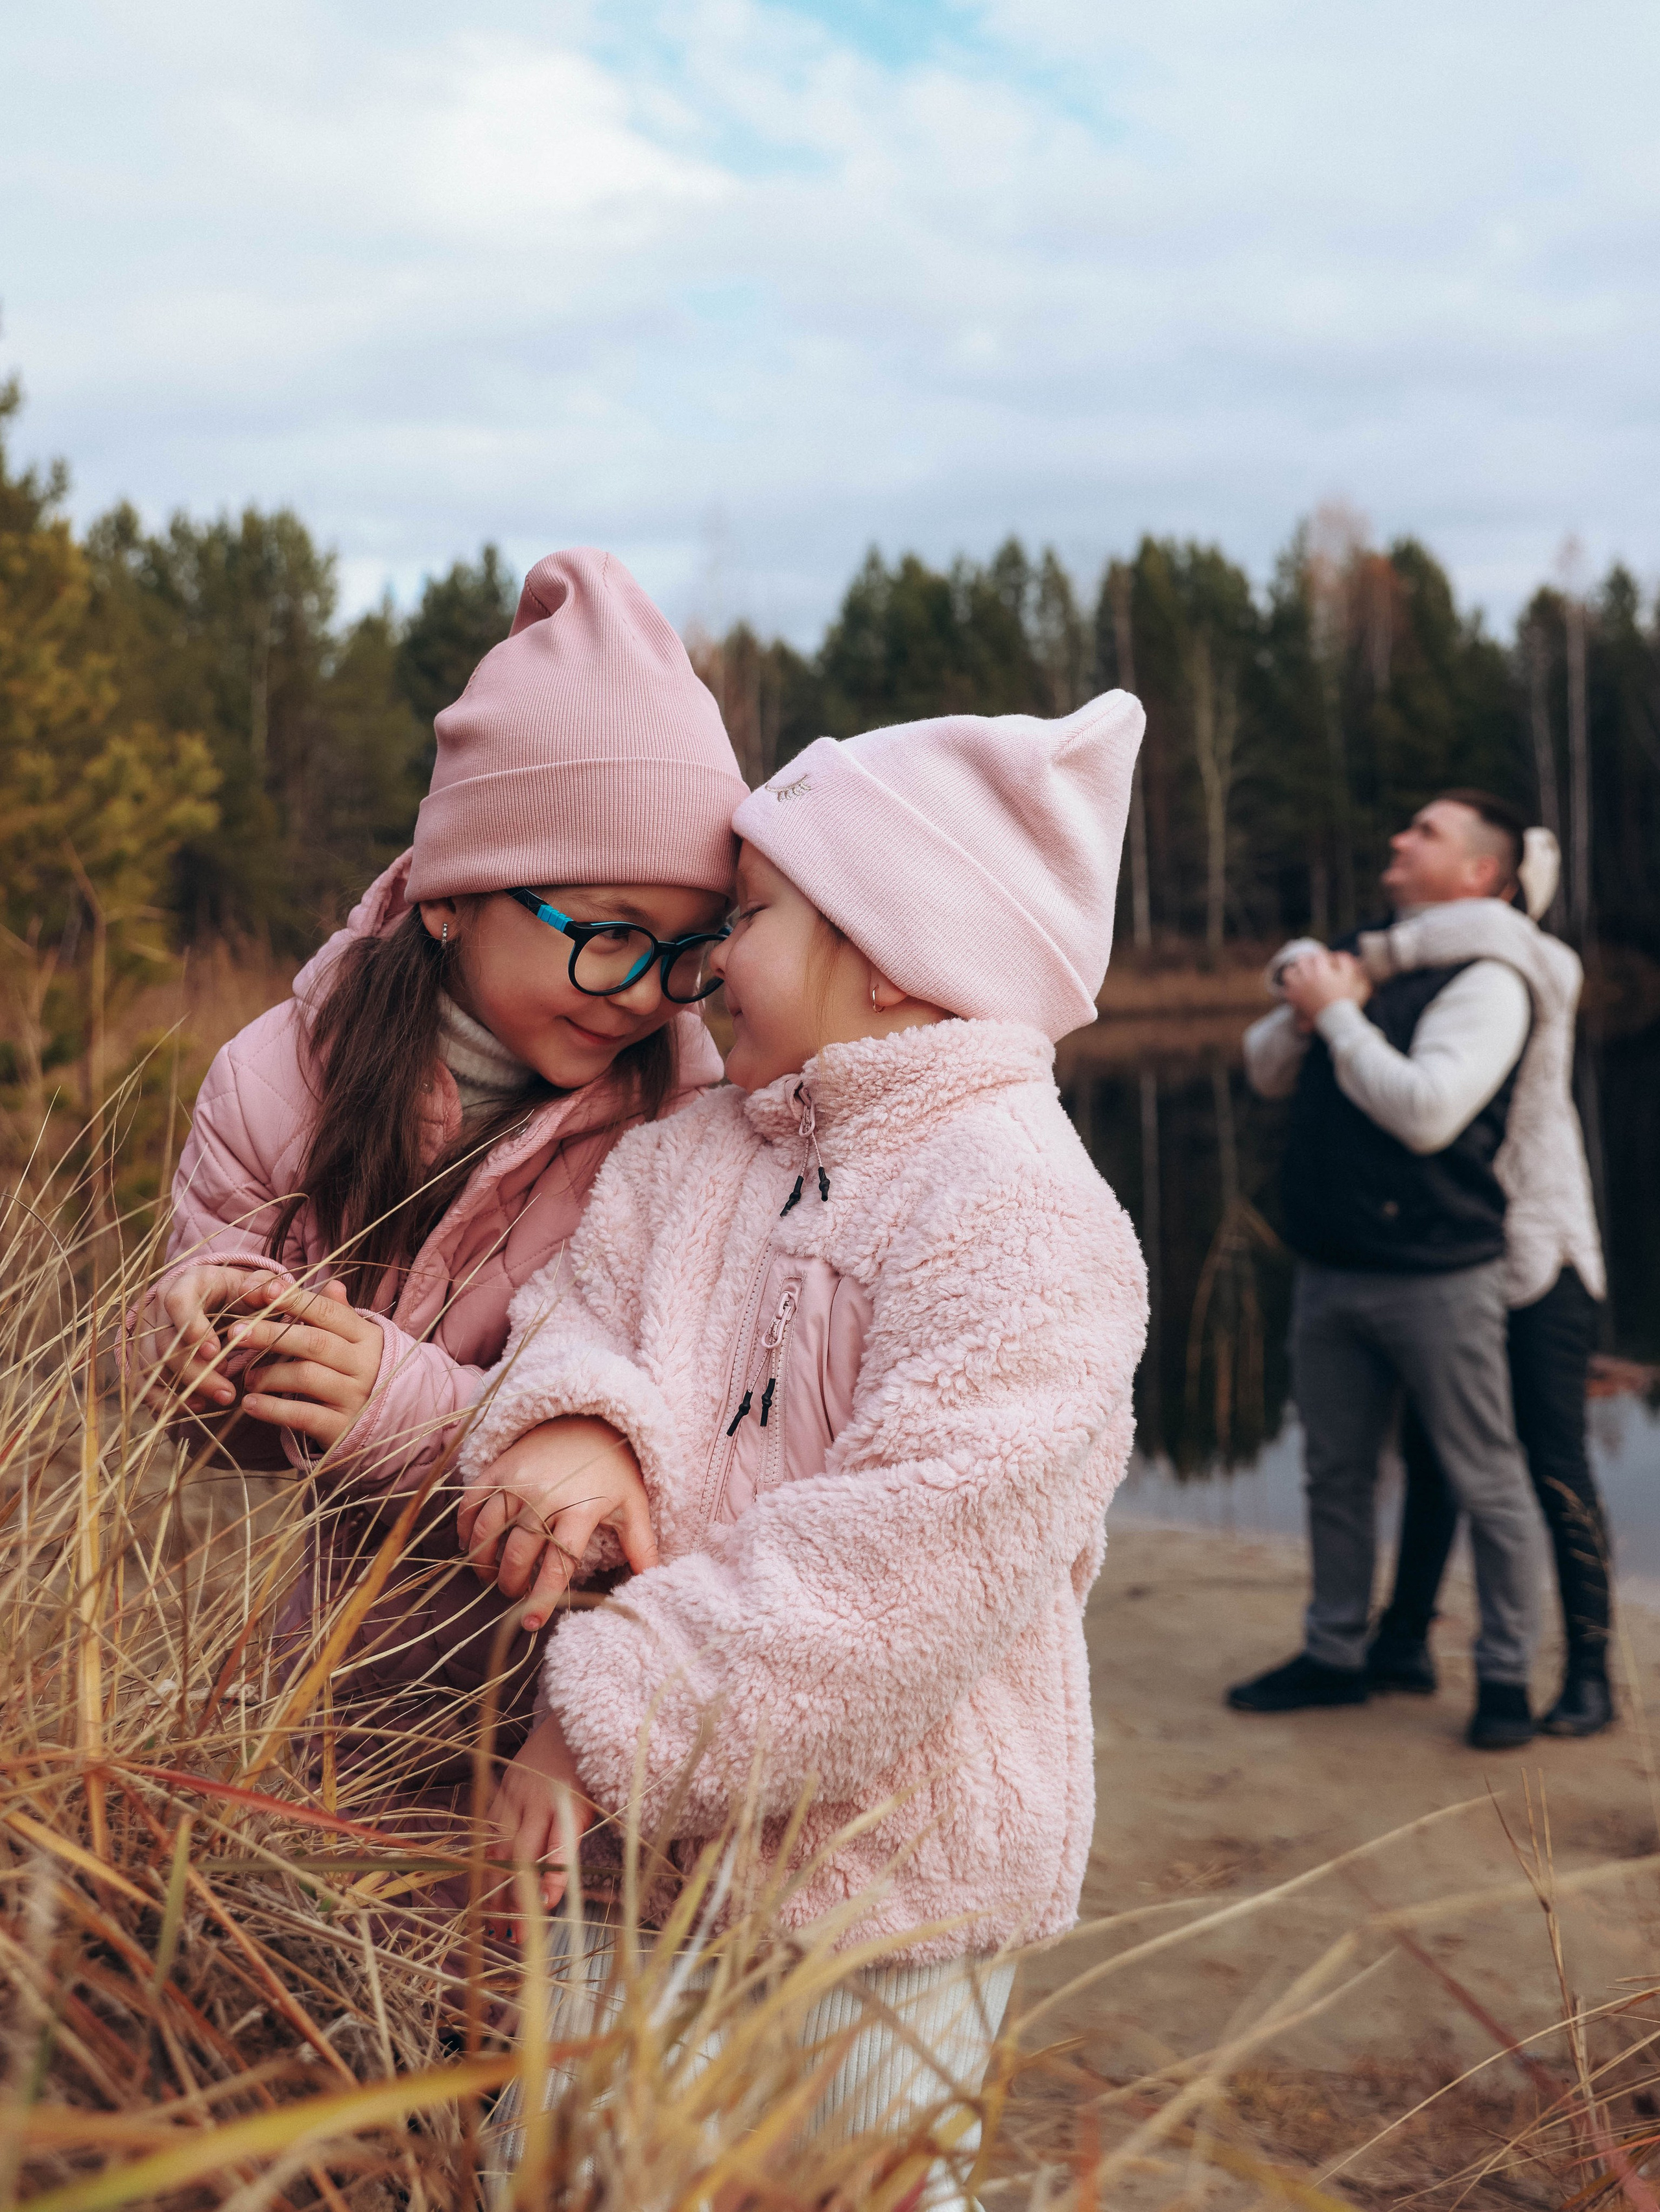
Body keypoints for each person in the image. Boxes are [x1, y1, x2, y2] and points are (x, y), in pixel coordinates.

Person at [458, 696, 1149, 2192]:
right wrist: (574, 1419)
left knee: (850, 2182)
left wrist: (602, 1714)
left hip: (885, 1894)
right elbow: (572, 1312)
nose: (705, 960)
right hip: (630, 1873)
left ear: (899, 959)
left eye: (751, 915)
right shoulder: (692, 1151)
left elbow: (914, 1550)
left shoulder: (1019, 1210)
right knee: (563, 2164)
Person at [129, 548, 748, 1816]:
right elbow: (217, 1440)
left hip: (587, 1767)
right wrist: (193, 1339)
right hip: (341, 1727)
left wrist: (393, 1404)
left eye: (685, 948)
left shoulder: (686, 1123)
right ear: (454, 896)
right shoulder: (274, 1085)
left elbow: (674, 1463)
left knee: (559, 2025)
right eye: (609, 931)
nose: (645, 990)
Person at [1229, 791, 1548, 1750]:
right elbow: (1260, 1068)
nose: (1399, 838)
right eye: (1403, 823)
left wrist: (1335, 1018)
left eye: (1427, 832)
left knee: (1486, 1477)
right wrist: (1309, 1009)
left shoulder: (1492, 981)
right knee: (1334, 1474)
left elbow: (1428, 1112)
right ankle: (1334, 1654)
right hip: (1329, 1266)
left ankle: (1503, 1680)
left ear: (1480, 874)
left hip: (1440, 1274)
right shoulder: (1358, 952)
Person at [1357, 855, 1612, 1737]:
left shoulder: (1535, 960)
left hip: (1543, 1251)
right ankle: (1402, 1641)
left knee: (1553, 1459)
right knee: (1434, 1449)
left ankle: (1591, 1674)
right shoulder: (1456, 974)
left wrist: (1365, 953)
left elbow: (1481, 925)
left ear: (1504, 894)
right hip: (1457, 1250)